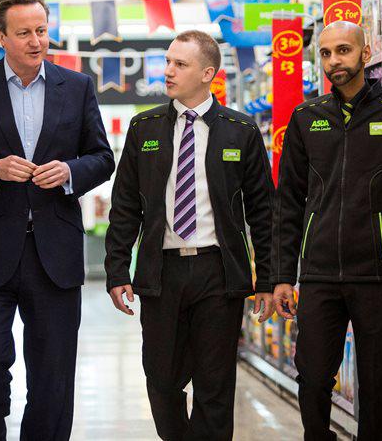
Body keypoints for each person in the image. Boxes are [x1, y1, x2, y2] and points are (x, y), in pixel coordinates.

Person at [0, 0, 114, 441]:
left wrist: (70, 171)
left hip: (55, 253)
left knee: (53, 376)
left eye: (42, 30)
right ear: (1, 37)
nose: (36, 41)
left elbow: (102, 157)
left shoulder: (77, 87)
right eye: (24, 33)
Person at [271, 21, 382, 440]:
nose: (334, 62)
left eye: (344, 51)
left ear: (366, 54)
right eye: (326, 54)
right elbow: (287, 204)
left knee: (378, 386)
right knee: (311, 380)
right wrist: (280, 276)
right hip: (319, 276)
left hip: (379, 275)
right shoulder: (305, 118)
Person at [105, 30, 275, 440]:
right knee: (161, 381)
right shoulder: (144, 127)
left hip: (219, 273)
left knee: (215, 386)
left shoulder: (241, 130)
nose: (168, 71)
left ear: (207, 73)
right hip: (161, 274)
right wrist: (116, 271)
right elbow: (125, 205)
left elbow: (264, 213)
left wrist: (268, 279)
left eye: (179, 64)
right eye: (167, 62)